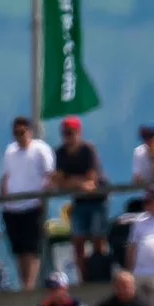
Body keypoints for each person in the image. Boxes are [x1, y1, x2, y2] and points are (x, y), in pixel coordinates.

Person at [0, 116, 56, 291]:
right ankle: (24, 281)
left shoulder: (41, 149)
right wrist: (4, 196)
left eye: (22, 132)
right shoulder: (10, 151)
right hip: (12, 206)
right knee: (19, 249)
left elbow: (49, 174)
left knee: (32, 247)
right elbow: (7, 175)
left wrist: (44, 192)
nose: (19, 136)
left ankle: (29, 285)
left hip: (32, 204)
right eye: (16, 133)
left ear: (30, 131)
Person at [50, 116, 107, 275]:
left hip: (97, 199)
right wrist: (77, 183)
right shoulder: (60, 153)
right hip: (79, 201)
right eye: (65, 133)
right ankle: (83, 277)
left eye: (71, 133)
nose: (68, 137)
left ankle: (100, 274)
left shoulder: (88, 150)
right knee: (78, 240)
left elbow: (91, 181)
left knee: (98, 238)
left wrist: (70, 181)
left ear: (79, 133)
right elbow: (58, 182)